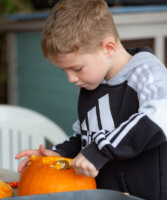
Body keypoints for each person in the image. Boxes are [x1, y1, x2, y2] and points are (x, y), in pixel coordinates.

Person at [15, 0, 167, 199]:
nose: (71, 78)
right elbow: (87, 136)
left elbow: (158, 118)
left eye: (77, 68)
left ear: (108, 48)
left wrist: (100, 151)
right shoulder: (90, 82)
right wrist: (61, 154)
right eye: (64, 71)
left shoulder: (147, 73)